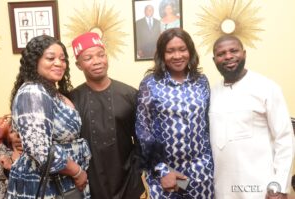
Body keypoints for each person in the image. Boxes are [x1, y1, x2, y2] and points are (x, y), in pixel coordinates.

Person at [209, 35, 294, 199]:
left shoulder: (267, 87)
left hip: (262, 189)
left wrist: (279, 186)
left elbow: (284, 139)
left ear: (244, 54)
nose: (228, 56)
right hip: (223, 190)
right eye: (221, 54)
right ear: (214, 60)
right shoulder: (211, 94)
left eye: (234, 50)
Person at [7, 35, 91, 198]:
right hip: (45, 185)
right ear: (35, 61)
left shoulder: (49, 91)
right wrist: (77, 171)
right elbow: (40, 151)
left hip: (62, 182)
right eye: (51, 58)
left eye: (62, 59)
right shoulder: (33, 92)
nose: (59, 63)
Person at [136, 28, 214, 198]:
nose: (177, 56)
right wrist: (162, 171)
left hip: (201, 172)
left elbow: (207, 125)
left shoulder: (201, 81)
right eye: (170, 51)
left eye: (182, 49)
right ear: (162, 54)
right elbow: (143, 131)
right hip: (165, 174)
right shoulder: (150, 84)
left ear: (190, 51)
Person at [70, 32, 145, 198]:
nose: (97, 61)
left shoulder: (130, 94)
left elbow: (143, 138)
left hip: (127, 182)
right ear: (78, 65)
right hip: (89, 184)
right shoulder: (72, 100)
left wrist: (137, 171)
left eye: (101, 55)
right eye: (88, 58)